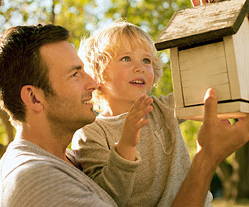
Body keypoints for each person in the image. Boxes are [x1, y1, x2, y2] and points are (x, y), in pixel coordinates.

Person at [71, 19, 249, 207]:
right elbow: (109, 199)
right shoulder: (90, 134)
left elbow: (205, 81)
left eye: (146, 60)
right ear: (97, 73)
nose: (140, 67)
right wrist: (126, 146)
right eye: (126, 58)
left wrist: (211, 21)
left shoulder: (162, 108)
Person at [0, 24, 120, 207]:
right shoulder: (37, 180)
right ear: (34, 98)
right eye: (74, 74)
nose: (93, 83)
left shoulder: (69, 158)